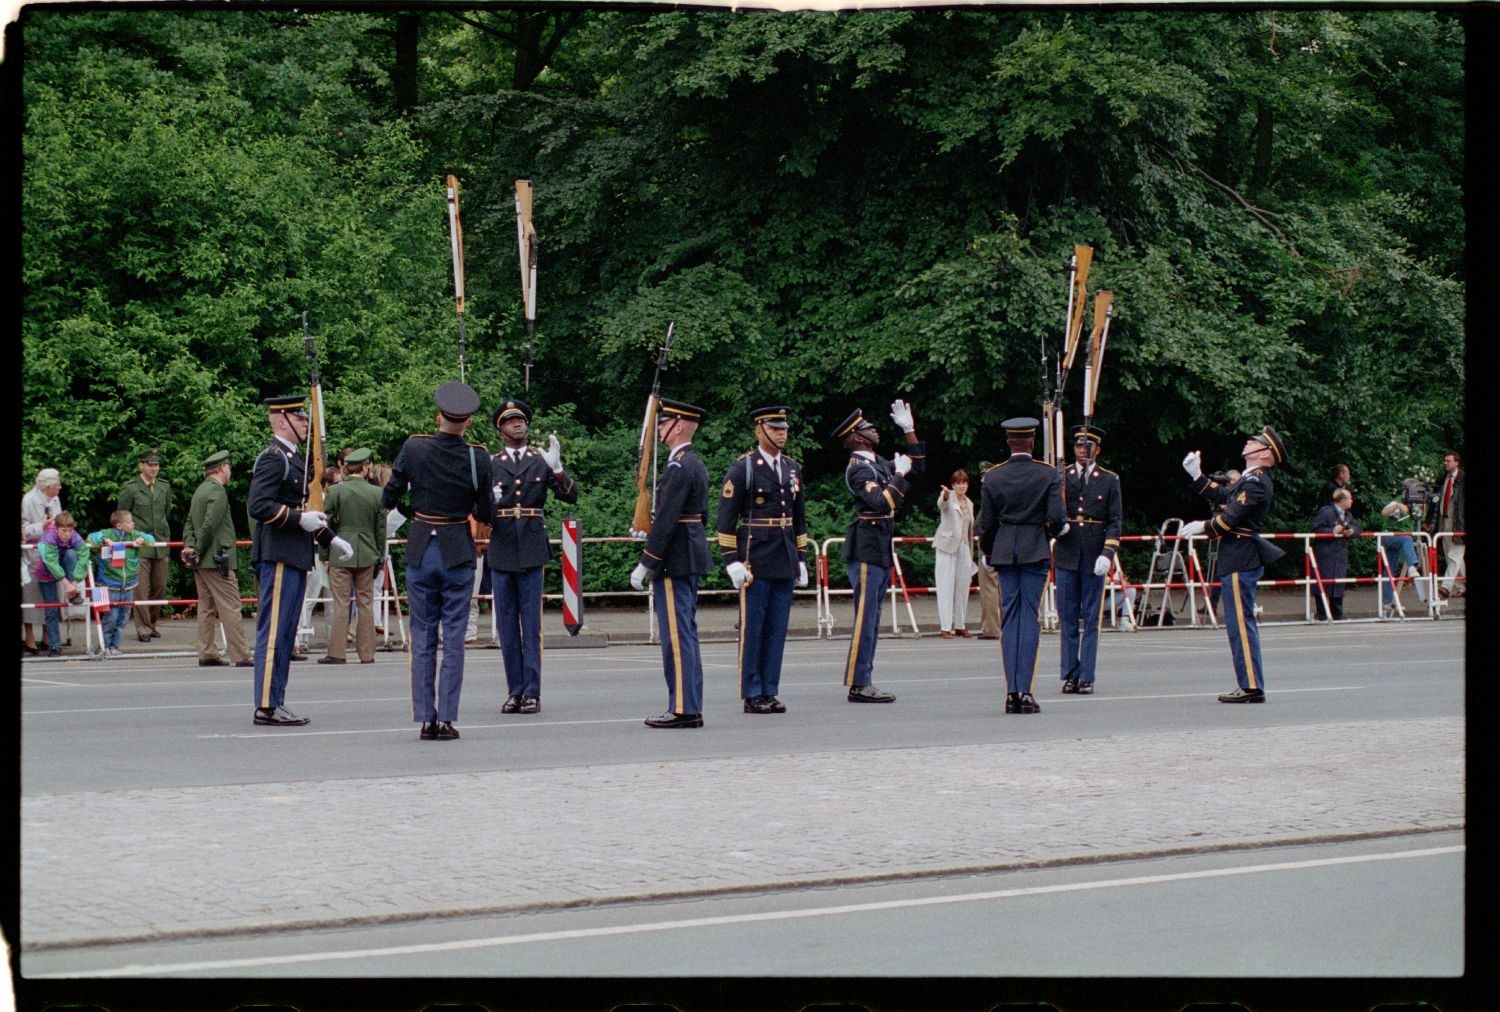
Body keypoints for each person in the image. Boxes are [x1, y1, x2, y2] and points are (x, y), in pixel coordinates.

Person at [382, 382, 494, 742]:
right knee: (455, 637)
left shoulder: (414, 448)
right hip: (457, 549)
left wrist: (415, 509)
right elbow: (487, 511)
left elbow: (390, 495)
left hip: (420, 546)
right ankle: (446, 717)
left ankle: (425, 718)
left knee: (423, 635)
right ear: (468, 423)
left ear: (438, 417)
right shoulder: (478, 457)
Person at [248, 395, 353, 727]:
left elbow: (303, 514)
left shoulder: (293, 459)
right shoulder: (273, 458)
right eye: (299, 417)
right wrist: (298, 521)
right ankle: (266, 704)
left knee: (286, 634)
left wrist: (330, 538)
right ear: (282, 421)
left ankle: (276, 699)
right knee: (274, 632)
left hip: (294, 555)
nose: (306, 422)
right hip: (278, 554)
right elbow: (259, 505)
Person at [1179, 425, 1288, 703]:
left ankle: (1252, 687)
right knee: (1236, 624)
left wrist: (1203, 526)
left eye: (1256, 442)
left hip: (1242, 557)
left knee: (1241, 624)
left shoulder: (1257, 483)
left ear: (1265, 454)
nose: (1249, 442)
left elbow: (1230, 518)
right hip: (1236, 557)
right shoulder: (1249, 479)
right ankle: (1248, 684)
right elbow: (1223, 497)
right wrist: (1197, 476)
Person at [485, 399, 579, 714]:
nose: (518, 424)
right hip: (501, 546)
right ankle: (514, 690)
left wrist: (558, 468)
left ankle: (532, 692)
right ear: (501, 431)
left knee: (532, 624)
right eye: (511, 422)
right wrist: (489, 502)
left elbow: (570, 496)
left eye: (522, 420)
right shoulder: (491, 463)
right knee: (507, 625)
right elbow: (477, 511)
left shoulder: (540, 460)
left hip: (531, 542)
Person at [716, 405, 809, 714]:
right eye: (775, 427)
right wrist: (731, 560)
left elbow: (799, 517)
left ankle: (770, 688)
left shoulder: (792, 468)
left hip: (783, 555)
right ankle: (752, 691)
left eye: (784, 427)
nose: (782, 432)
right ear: (760, 430)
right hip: (754, 557)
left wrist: (802, 558)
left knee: (777, 628)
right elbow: (726, 520)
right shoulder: (744, 468)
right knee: (753, 627)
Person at [832, 400, 925, 703]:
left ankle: (864, 679)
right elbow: (882, 503)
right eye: (868, 428)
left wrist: (909, 431)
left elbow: (918, 468)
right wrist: (898, 475)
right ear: (857, 437)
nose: (875, 430)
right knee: (866, 618)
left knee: (873, 617)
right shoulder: (858, 469)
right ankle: (858, 683)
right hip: (866, 546)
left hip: (880, 544)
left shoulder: (878, 462)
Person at [630, 399, 712, 728]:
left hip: (673, 560)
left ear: (677, 426)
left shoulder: (679, 466)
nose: (658, 429)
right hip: (686, 554)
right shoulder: (693, 462)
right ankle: (688, 703)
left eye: (663, 424)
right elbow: (696, 516)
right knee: (685, 634)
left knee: (676, 638)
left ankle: (683, 708)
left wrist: (647, 562)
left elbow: (666, 521)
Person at [977, 417, 1065, 715]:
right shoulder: (1047, 474)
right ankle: (1024, 692)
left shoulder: (994, 476)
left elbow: (985, 524)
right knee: (1028, 619)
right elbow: (1058, 518)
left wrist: (991, 552)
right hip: (1034, 549)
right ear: (1031, 441)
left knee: (1009, 618)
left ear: (1009, 442)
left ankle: (1010, 692)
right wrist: (1046, 535)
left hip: (1004, 550)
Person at [1052, 424, 1123, 694]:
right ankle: (1070, 673)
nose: (1083, 451)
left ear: (1098, 450)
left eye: (1088, 446)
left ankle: (1087, 676)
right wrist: (1055, 527)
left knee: (1091, 619)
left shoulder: (1109, 479)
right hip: (1068, 551)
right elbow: (1052, 511)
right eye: (1079, 446)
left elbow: (1115, 521)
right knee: (1068, 617)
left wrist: (1108, 552)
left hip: (1094, 553)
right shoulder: (1062, 477)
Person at [180, 450, 253, 668]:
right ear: (222, 468)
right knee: (231, 606)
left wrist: (190, 546)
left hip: (202, 561)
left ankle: (207, 652)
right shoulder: (217, 491)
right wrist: (199, 549)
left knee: (206, 607)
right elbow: (210, 525)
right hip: (217, 558)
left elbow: (190, 523)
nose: (230, 471)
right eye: (228, 467)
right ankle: (240, 654)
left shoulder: (200, 491)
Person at [320, 447, 387, 665]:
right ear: (365, 467)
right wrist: (379, 556)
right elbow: (380, 529)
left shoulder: (335, 491)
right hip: (368, 553)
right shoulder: (377, 493)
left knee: (341, 602)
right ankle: (367, 653)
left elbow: (325, 526)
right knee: (366, 602)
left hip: (340, 552)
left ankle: (337, 652)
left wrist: (324, 553)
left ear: (346, 469)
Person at [117, 447, 173, 643]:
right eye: (150, 464)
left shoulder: (164, 487)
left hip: (160, 543)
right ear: (141, 465)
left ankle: (152, 623)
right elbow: (122, 516)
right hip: (139, 544)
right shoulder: (131, 488)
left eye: (157, 465)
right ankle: (142, 628)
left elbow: (166, 512)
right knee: (140, 588)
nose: (154, 468)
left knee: (160, 586)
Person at [85, 509, 158, 657]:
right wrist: (105, 541)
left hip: (129, 585)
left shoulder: (135, 535)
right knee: (110, 617)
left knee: (123, 619)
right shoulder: (107, 533)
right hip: (108, 584)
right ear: (119, 525)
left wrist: (142, 540)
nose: (133, 524)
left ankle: (116, 646)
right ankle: (104, 645)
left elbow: (152, 540)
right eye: (129, 522)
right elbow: (90, 539)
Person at [21, 467, 65, 655]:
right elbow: (23, 530)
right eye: (57, 485)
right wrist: (42, 526)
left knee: (52, 594)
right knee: (30, 595)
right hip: (33, 555)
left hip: (52, 552)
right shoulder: (28, 500)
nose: (60, 488)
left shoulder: (55, 498)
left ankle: (49, 636)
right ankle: (29, 637)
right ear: (47, 486)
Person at [34, 510, 88, 657]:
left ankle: (72, 594)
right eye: (63, 531)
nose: (67, 534)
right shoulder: (48, 538)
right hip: (46, 571)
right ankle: (54, 646)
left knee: (72, 553)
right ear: (56, 529)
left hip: (64, 566)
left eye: (70, 531)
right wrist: (65, 584)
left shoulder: (73, 535)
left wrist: (75, 582)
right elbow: (51, 563)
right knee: (52, 609)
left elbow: (84, 554)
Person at [932, 469, 976, 639]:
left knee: (963, 585)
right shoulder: (948, 496)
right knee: (945, 585)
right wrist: (944, 495)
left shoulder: (969, 503)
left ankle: (960, 624)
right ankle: (945, 626)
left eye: (964, 482)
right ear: (953, 484)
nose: (961, 485)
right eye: (958, 483)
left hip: (964, 546)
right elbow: (941, 505)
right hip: (947, 546)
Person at [1310, 488, 1360, 620]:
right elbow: (1314, 528)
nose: (1351, 501)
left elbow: (1358, 527)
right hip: (1325, 553)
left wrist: (1352, 531)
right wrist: (1331, 530)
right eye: (1349, 498)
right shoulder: (1326, 512)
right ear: (1342, 500)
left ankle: (1338, 614)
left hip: (1340, 554)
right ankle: (1322, 614)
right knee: (1323, 582)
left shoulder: (1348, 515)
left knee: (1338, 583)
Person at [1426, 450, 1464, 600]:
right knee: (1452, 556)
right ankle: (1462, 586)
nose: (1445, 463)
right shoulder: (1443, 479)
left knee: (1455, 555)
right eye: (1445, 461)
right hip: (1444, 520)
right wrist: (1429, 521)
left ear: (1456, 462)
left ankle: (1446, 587)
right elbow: (1435, 502)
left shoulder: (1463, 479)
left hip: (1459, 522)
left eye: (1448, 461)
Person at [1376, 494, 1423, 610]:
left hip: (1398, 538)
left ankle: (1387, 601)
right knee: (1406, 538)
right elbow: (1384, 512)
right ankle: (1412, 565)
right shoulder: (1398, 501)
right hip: (1390, 536)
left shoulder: (1415, 505)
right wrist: (1397, 505)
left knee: (1390, 569)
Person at [973, 461, 1002, 640]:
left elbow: (983, 524)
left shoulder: (992, 496)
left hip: (990, 548)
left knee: (990, 590)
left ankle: (991, 628)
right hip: (997, 547)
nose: (983, 480)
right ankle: (997, 626)